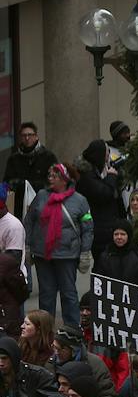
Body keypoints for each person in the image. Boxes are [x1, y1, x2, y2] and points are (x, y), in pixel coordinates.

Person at [23, 163, 92, 327]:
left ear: (65, 179)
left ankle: (72, 330)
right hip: (42, 255)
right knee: (46, 295)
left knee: (68, 294)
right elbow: (29, 221)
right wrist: (27, 246)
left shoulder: (80, 201)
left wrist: (85, 253)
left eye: (54, 176)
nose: (50, 179)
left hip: (67, 256)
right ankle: (45, 331)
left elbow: (87, 229)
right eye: (49, 175)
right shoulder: (41, 196)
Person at [3, 120, 57, 216]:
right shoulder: (14, 159)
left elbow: (55, 181)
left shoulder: (48, 157)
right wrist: (19, 184)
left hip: (43, 204)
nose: (27, 138)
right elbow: (7, 182)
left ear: (36, 137)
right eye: (24, 135)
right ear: (20, 138)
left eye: (30, 135)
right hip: (19, 206)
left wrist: (31, 185)